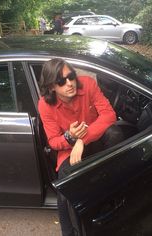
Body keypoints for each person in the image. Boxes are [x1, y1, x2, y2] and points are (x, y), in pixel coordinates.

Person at [38, 58, 124, 236]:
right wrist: (70, 137)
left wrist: (82, 139)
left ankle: (110, 187)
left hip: (96, 140)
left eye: (71, 76)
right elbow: (53, 141)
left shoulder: (88, 85)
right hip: (69, 150)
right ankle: (70, 232)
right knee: (66, 183)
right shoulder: (45, 104)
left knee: (115, 133)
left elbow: (109, 115)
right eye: (61, 81)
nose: (70, 83)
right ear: (52, 87)